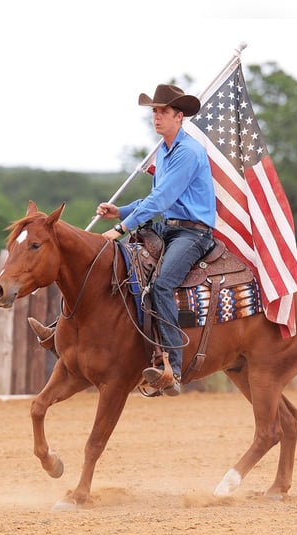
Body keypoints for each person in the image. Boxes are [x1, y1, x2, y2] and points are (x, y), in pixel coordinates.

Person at [31, 84, 216, 396]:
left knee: (161, 284)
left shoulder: (188, 152)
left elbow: (163, 197)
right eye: (154, 112)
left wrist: (121, 227)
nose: (156, 117)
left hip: (192, 232)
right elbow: (156, 199)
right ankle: (62, 332)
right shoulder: (166, 151)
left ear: (179, 117)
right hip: (167, 227)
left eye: (163, 112)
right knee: (115, 268)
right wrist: (122, 210)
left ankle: (173, 364)